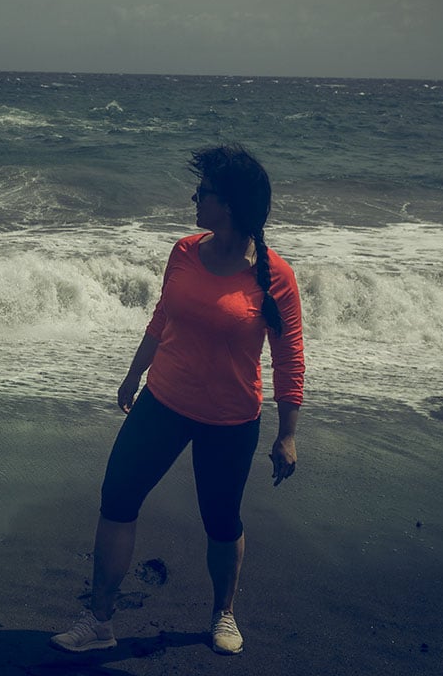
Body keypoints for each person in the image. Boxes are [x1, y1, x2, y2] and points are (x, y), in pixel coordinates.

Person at [50, 144, 305, 656]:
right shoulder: (185, 252)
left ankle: (223, 614)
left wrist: (288, 434)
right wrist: (132, 375)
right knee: (118, 498)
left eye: (203, 191)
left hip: (230, 419)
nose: (194, 198)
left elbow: (290, 355)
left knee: (221, 520)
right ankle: (99, 620)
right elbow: (162, 318)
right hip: (162, 402)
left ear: (228, 204)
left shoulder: (275, 276)